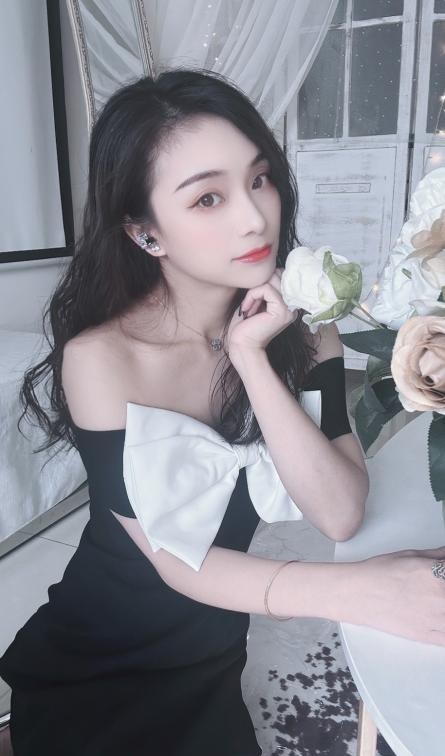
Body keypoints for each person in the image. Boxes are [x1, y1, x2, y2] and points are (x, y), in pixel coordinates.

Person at [1, 68, 444, 756]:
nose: (254, 217)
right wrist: (356, 590)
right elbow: (173, 562)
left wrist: (249, 359)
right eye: (207, 198)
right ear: (147, 234)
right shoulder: (103, 358)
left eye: (259, 178)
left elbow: (339, 512)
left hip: (214, 645)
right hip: (104, 647)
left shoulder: (307, 327)